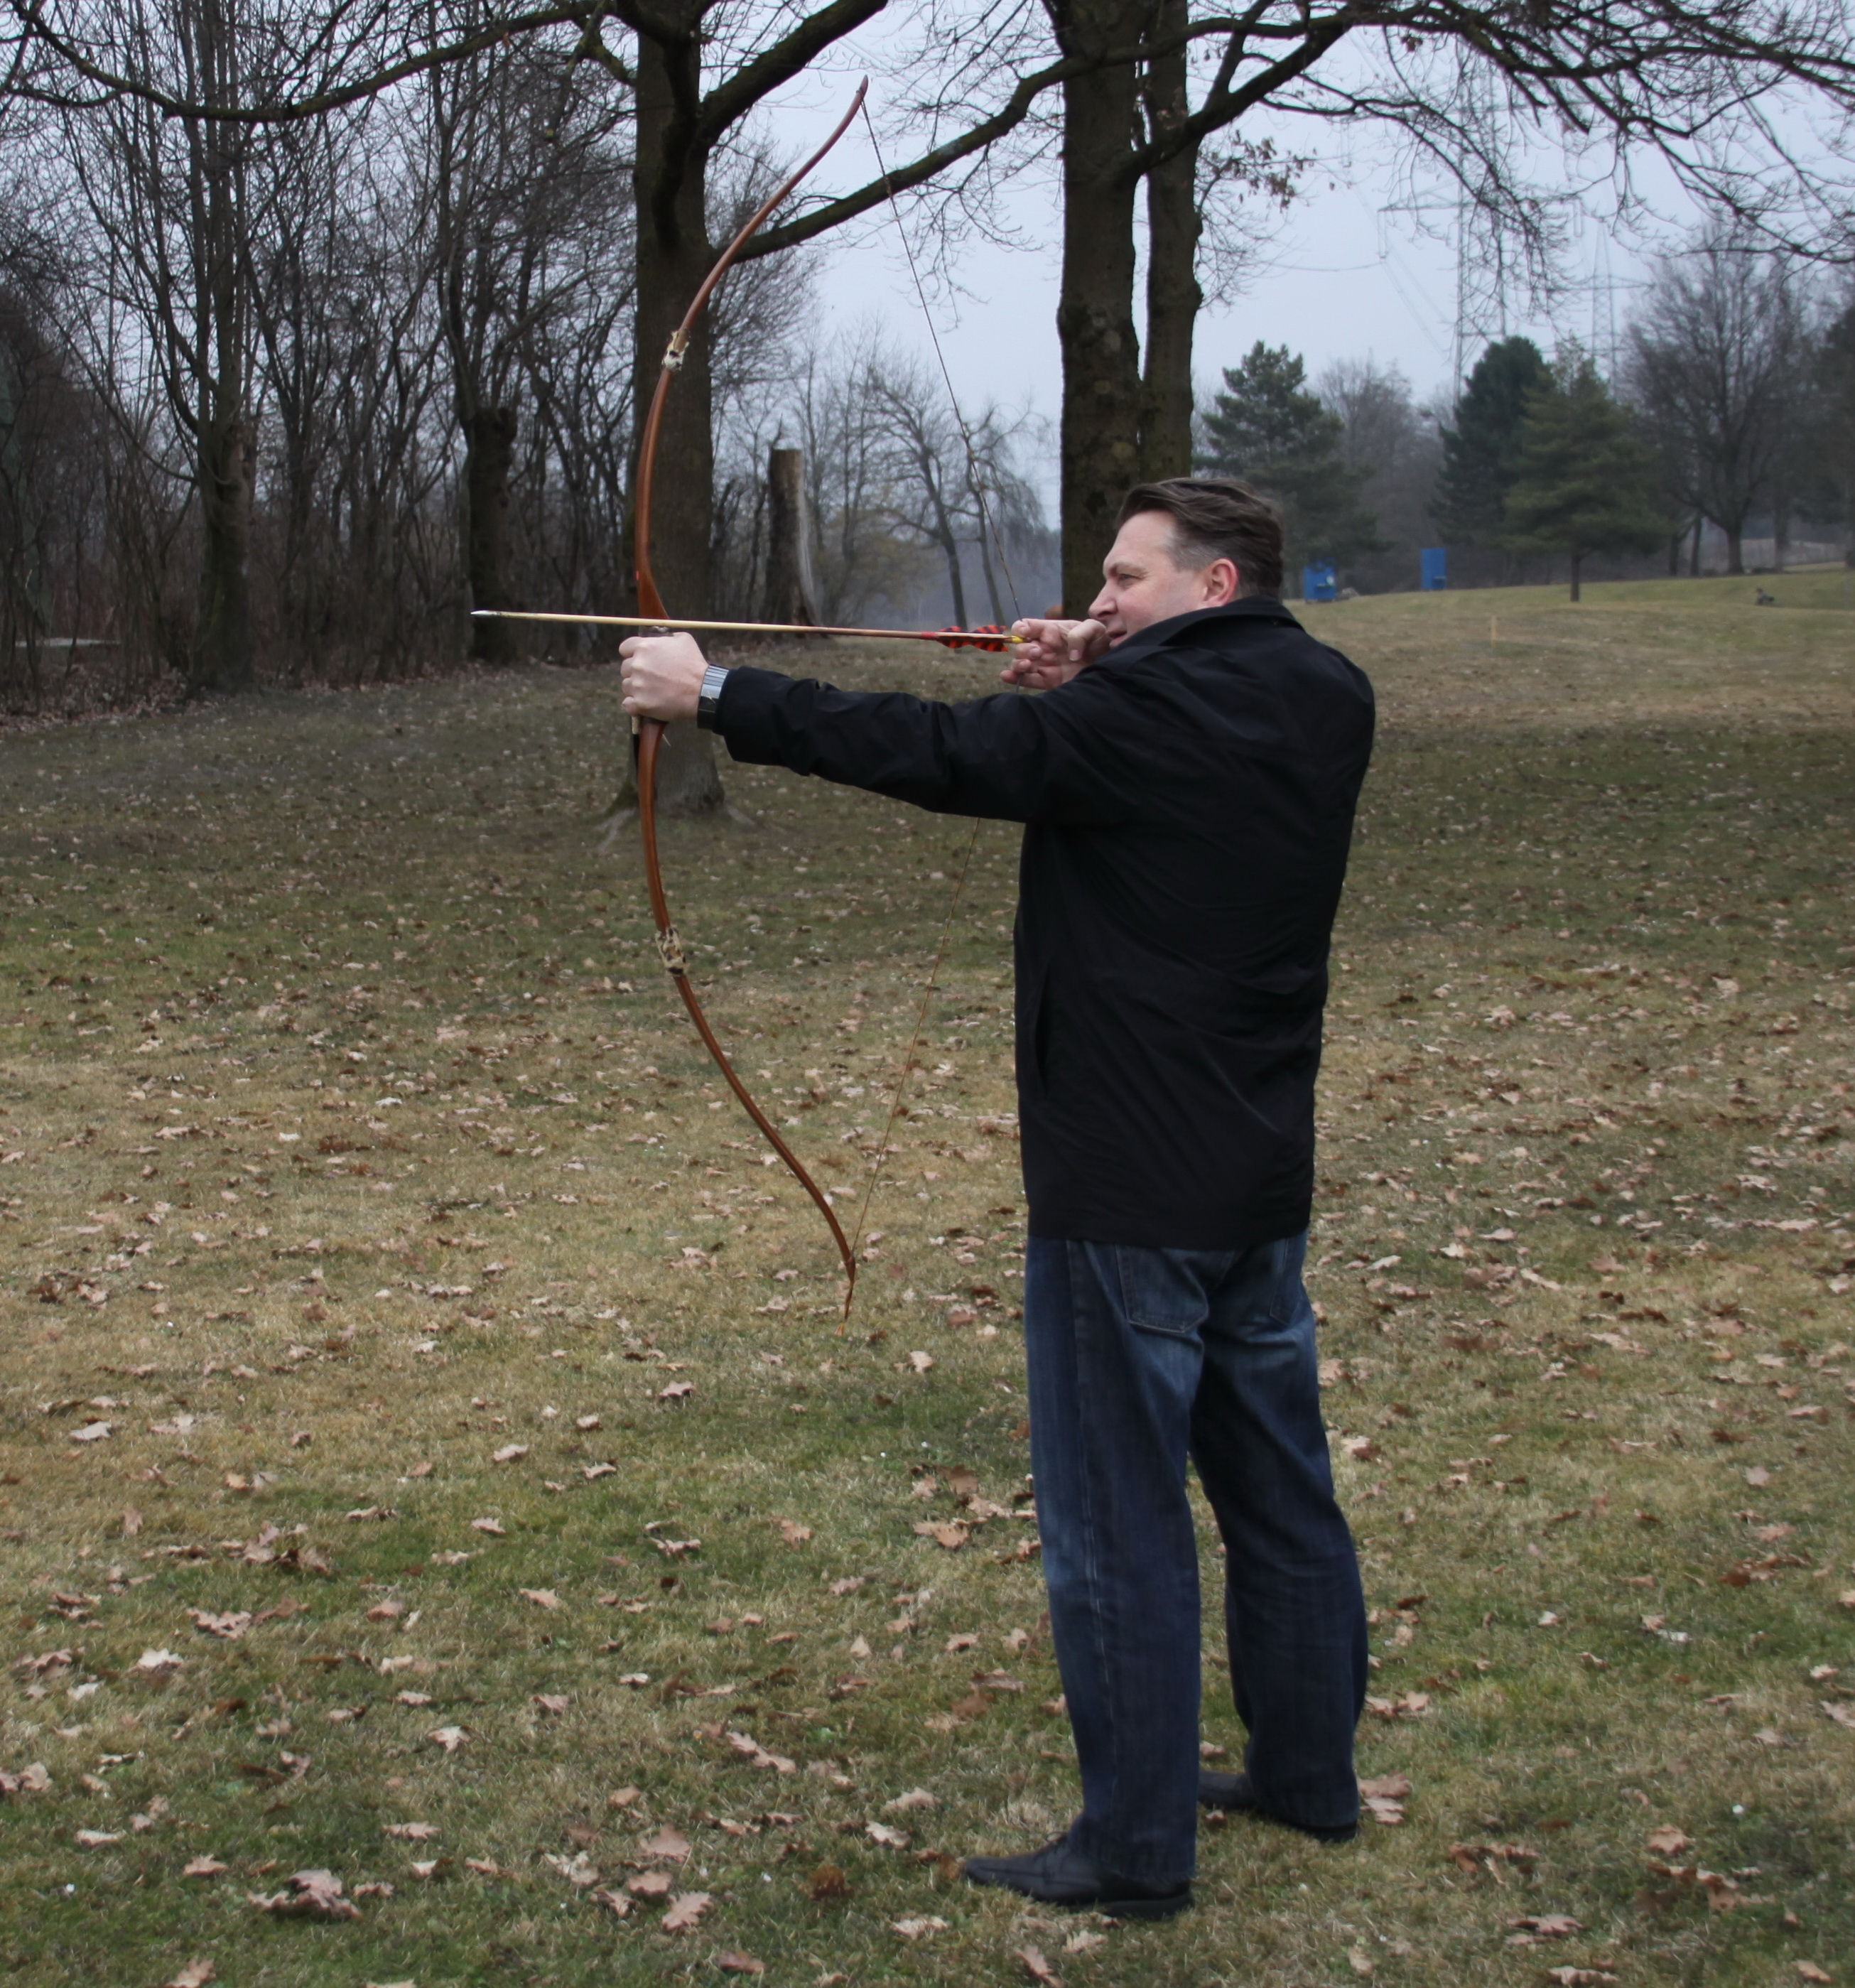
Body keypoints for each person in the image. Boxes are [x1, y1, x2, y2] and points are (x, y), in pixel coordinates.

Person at [619, 477, 1374, 1921]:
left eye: (1126, 580)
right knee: (1281, 1489)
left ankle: (1136, 1846)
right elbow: (1179, 723)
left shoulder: (1134, 716)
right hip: (1255, 1174)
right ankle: (1307, 1776)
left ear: (1213, 587)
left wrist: (711, 691)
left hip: (1126, 1188)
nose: (1099, 598)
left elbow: (938, 750)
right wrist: (1111, 654)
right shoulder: (1327, 693)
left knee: (1119, 1518)